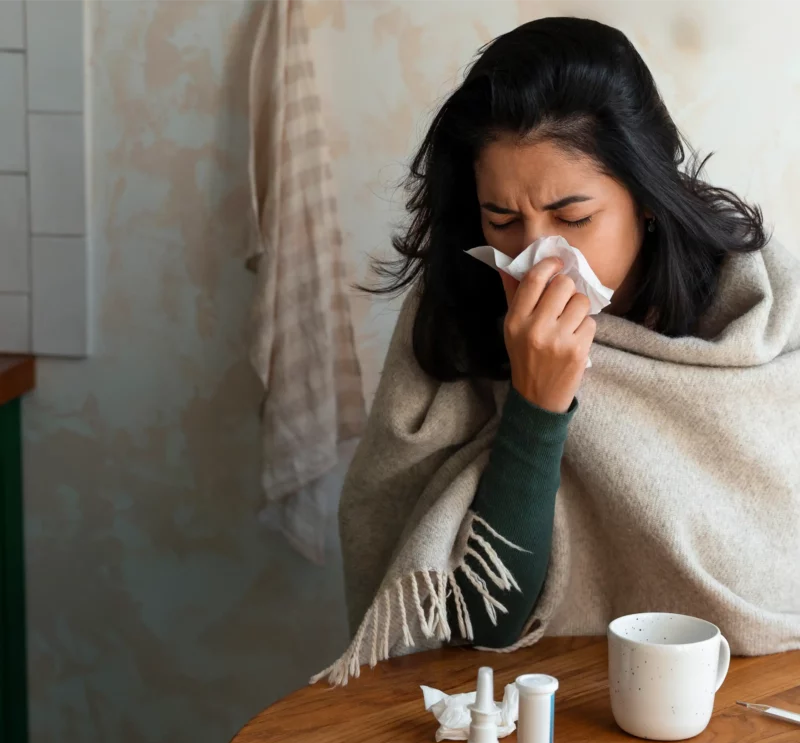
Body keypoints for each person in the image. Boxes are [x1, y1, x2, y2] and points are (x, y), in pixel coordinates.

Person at [312, 17, 800, 686]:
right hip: (538, 706)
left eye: (573, 218)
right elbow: (476, 622)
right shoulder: (458, 313)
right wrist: (537, 408)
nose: (537, 256)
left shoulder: (760, 314)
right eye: (502, 221)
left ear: (648, 199)